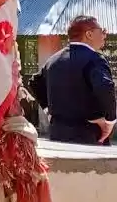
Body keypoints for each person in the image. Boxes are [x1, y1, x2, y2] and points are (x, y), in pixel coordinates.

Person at [30, 15, 116, 144]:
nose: (105, 35)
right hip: (88, 133)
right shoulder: (94, 59)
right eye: (102, 31)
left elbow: (34, 82)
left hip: (58, 133)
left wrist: (48, 110)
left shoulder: (54, 59)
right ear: (89, 34)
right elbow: (105, 87)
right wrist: (110, 121)